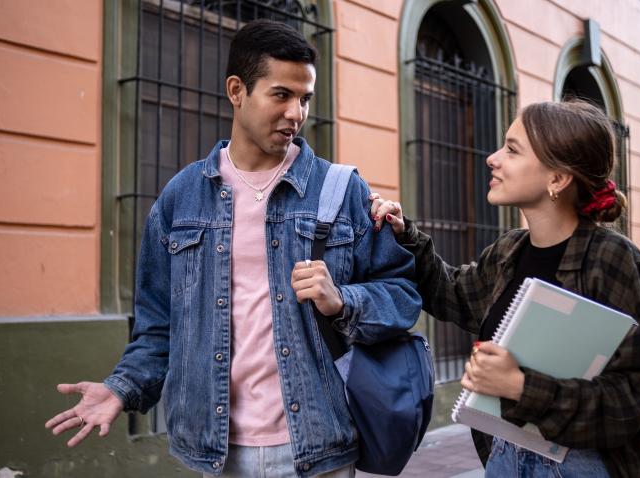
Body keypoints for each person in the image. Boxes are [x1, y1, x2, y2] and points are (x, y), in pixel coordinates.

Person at [45, 19, 421, 477]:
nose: (296, 113)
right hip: (216, 451)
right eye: (281, 95)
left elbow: (402, 297)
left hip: (318, 447)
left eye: (305, 99)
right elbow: (160, 328)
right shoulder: (181, 199)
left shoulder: (341, 191)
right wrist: (122, 388)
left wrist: (344, 300)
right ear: (237, 89)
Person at [370, 100, 640, 477]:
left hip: (582, 466)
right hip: (505, 457)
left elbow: (637, 394)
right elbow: (450, 293)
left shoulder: (612, 259)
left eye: (512, 150)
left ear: (558, 179)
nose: (493, 158)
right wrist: (406, 235)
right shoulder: (509, 252)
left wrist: (519, 387)